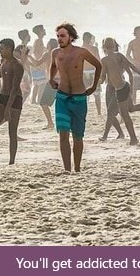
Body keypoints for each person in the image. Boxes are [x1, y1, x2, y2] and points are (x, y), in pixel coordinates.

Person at [49, 23, 102, 173]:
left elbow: (98, 65)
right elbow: (53, 66)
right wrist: (50, 78)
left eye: (63, 36)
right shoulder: (55, 53)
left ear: (71, 37)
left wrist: (93, 86)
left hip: (79, 98)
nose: (60, 39)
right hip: (62, 97)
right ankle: (67, 169)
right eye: (58, 36)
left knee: (78, 136)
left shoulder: (81, 52)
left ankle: (77, 169)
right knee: (63, 135)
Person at [82, 32, 102, 116]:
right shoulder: (94, 49)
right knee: (96, 94)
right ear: (90, 39)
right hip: (91, 72)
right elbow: (98, 61)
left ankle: (95, 112)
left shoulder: (80, 49)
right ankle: (99, 112)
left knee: (84, 93)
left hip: (85, 72)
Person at [30, 25, 47, 104]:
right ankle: (36, 100)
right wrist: (38, 64)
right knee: (40, 83)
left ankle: (34, 100)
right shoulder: (38, 40)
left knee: (37, 83)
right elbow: (36, 52)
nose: (45, 30)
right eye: (43, 29)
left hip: (37, 64)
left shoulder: (39, 40)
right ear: (40, 31)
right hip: (37, 64)